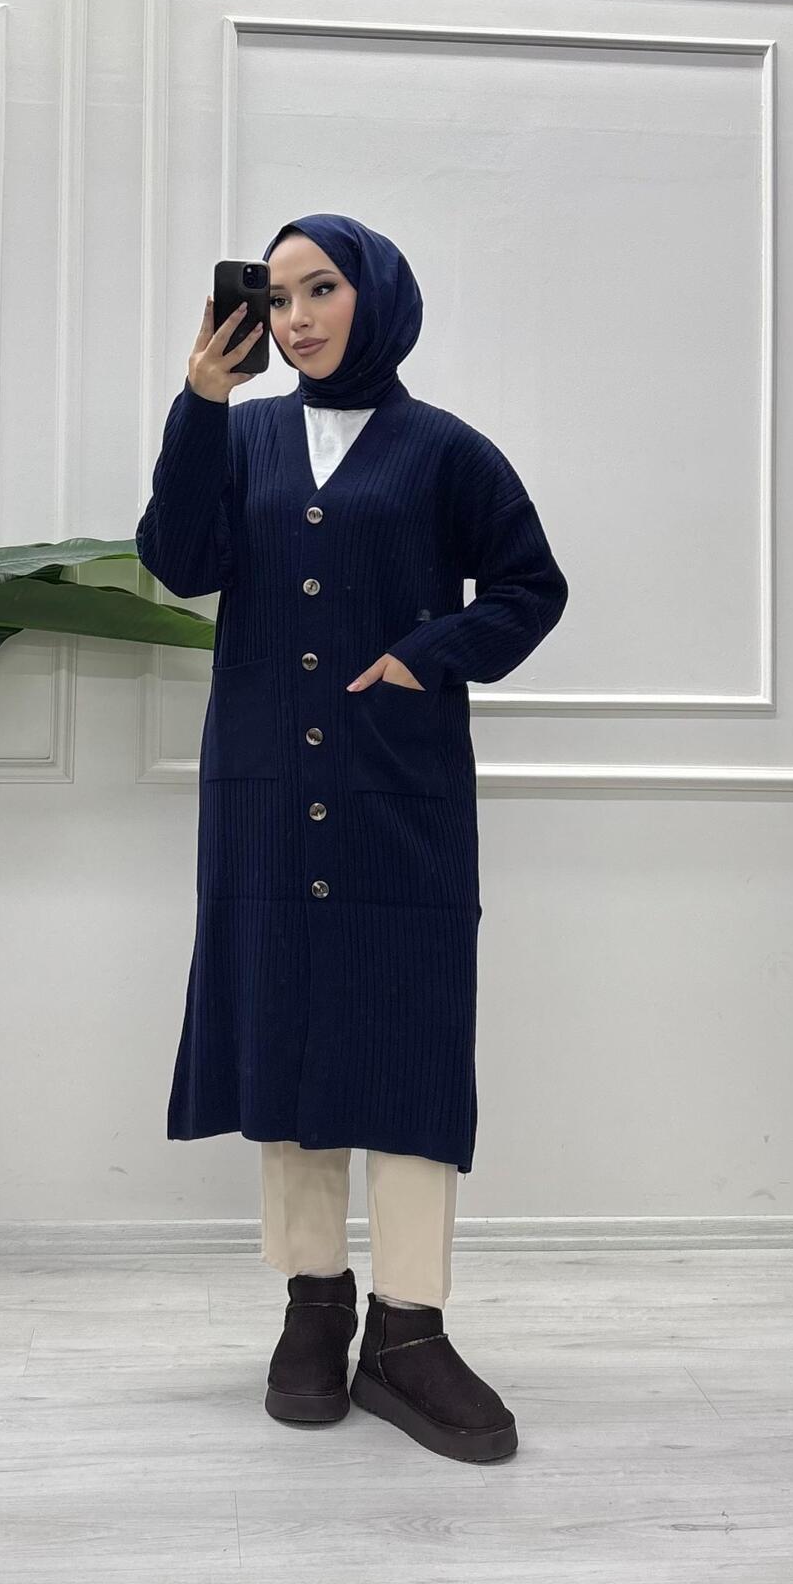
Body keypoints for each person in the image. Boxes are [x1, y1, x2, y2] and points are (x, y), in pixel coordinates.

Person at [135, 213, 568, 1463]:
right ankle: (314, 1307)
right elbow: (179, 561)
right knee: (288, 1034)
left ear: (374, 295)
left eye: (319, 289)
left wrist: (430, 654)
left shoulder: (447, 452)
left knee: (410, 1043)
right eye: (276, 299)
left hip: (397, 793)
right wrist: (199, 402)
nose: (296, 318)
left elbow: (530, 587)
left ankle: (410, 1330)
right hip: (269, 793)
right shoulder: (242, 435)